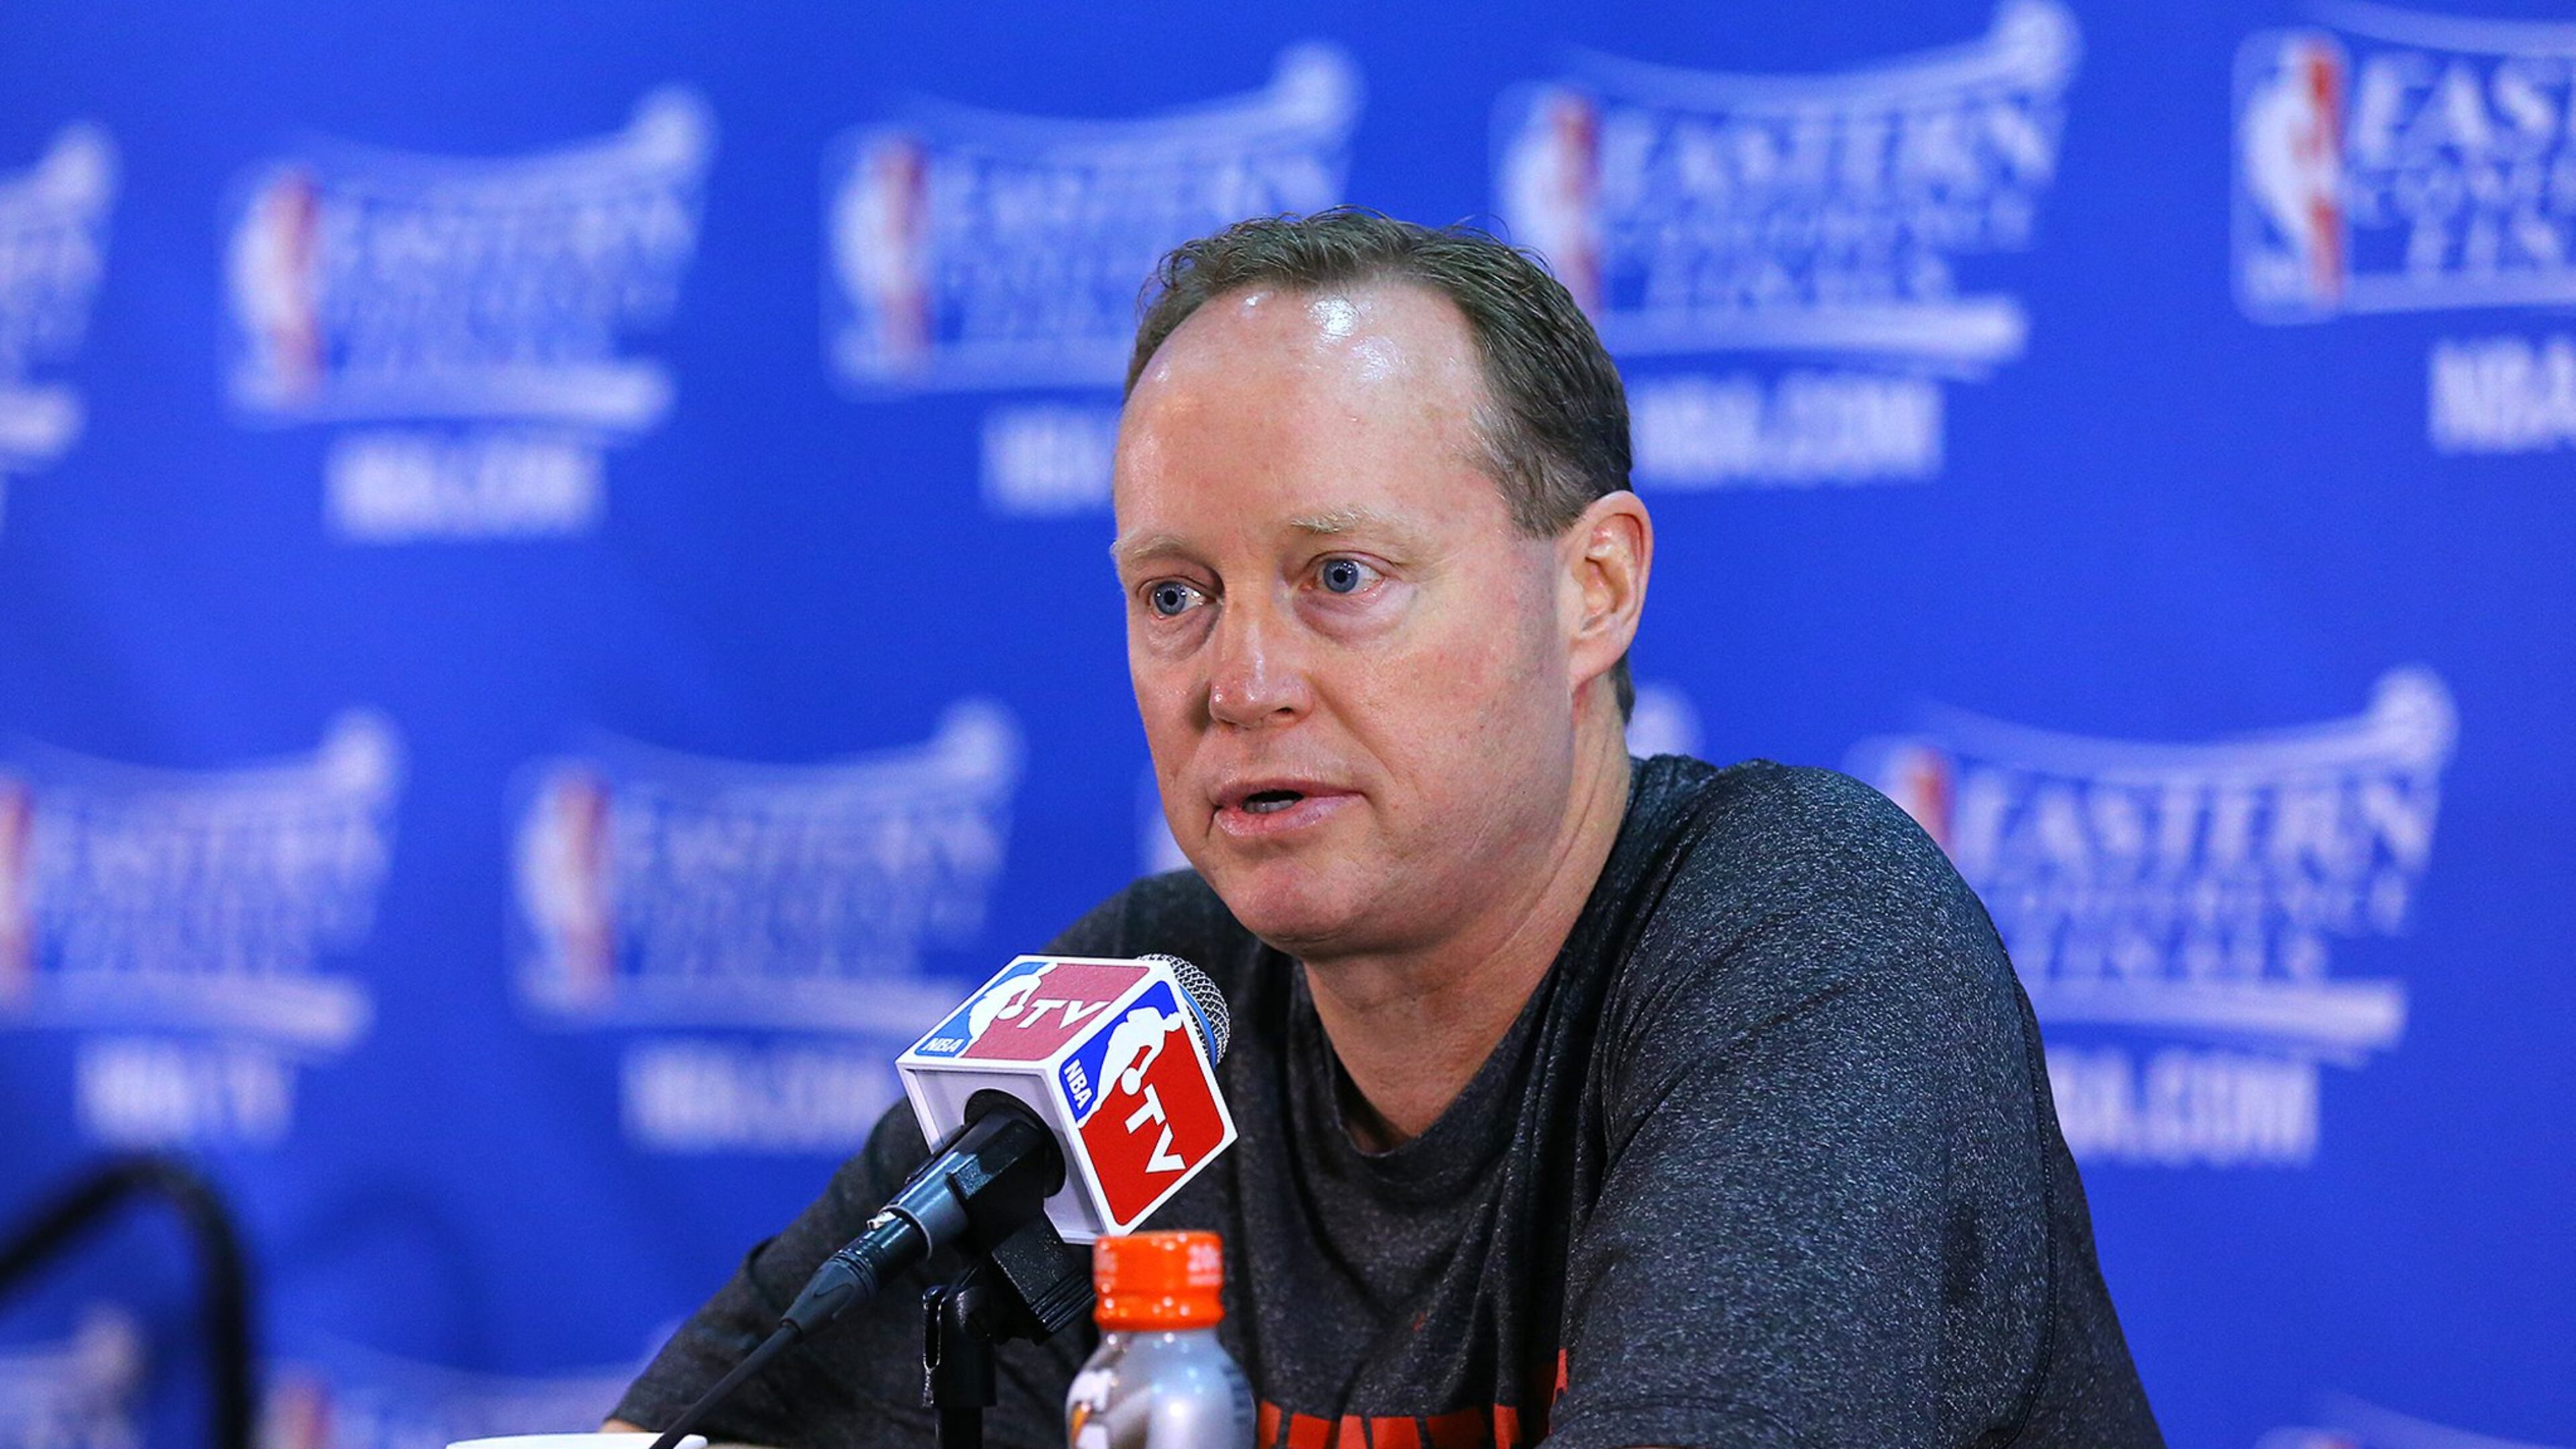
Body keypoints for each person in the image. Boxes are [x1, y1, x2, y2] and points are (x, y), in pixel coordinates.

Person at [610, 210, 2163, 1448]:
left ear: (1595, 589)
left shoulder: (1806, 937)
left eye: (1341, 576)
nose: (1243, 682)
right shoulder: (1144, 1001)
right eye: (1175, 596)